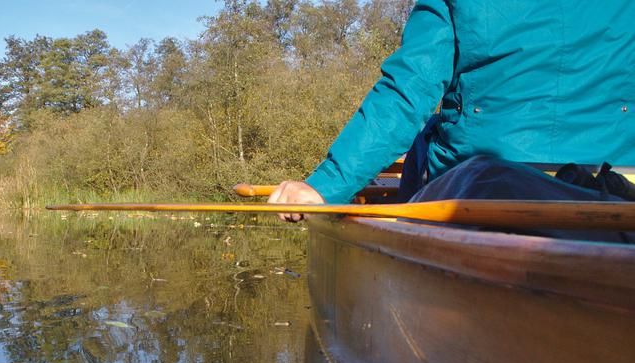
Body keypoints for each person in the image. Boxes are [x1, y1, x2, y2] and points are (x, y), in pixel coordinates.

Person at [268, 0, 635, 225]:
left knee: (426, 138)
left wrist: (326, 186)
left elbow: (409, 89)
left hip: (481, 191)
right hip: (617, 185)